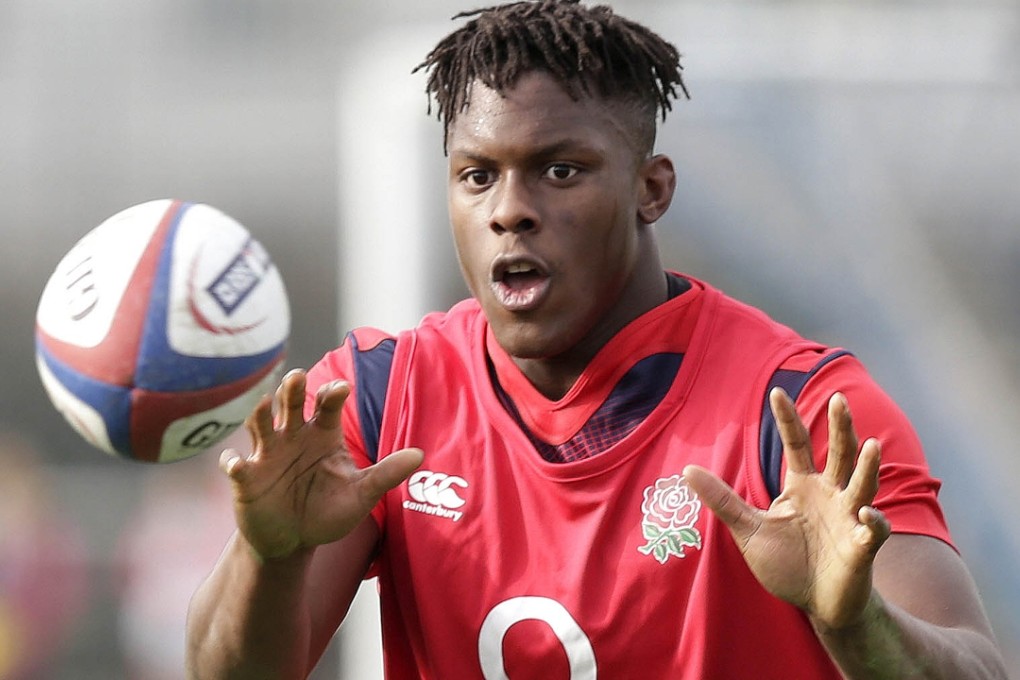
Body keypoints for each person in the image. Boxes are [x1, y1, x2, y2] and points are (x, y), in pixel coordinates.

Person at [186, 1, 1007, 678]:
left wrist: (859, 622)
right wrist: (273, 556)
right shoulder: (374, 400)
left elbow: (975, 667)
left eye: (561, 170)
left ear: (651, 190)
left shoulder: (798, 415)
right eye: (478, 176)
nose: (510, 208)